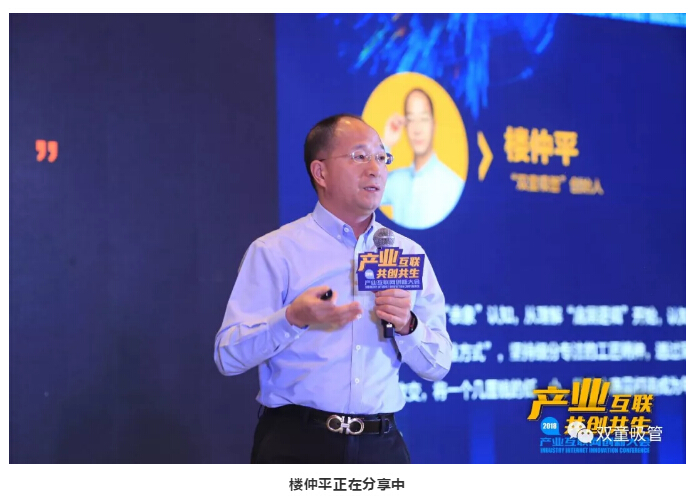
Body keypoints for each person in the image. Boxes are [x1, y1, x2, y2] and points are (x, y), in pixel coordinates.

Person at [214, 114, 452, 464]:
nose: (375, 169)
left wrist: (408, 326)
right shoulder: (275, 251)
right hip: (297, 444)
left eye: (382, 157)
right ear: (320, 172)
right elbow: (228, 356)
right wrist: (292, 318)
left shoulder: (406, 252)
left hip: (381, 447)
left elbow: (439, 365)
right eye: (360, 156)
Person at [381, 88, 465, 230]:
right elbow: (362, 196)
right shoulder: (395, 180)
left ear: (434, 125)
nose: (417, 129)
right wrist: (386, 144)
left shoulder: (453, 185)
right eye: (411, 120)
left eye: (424, 119)